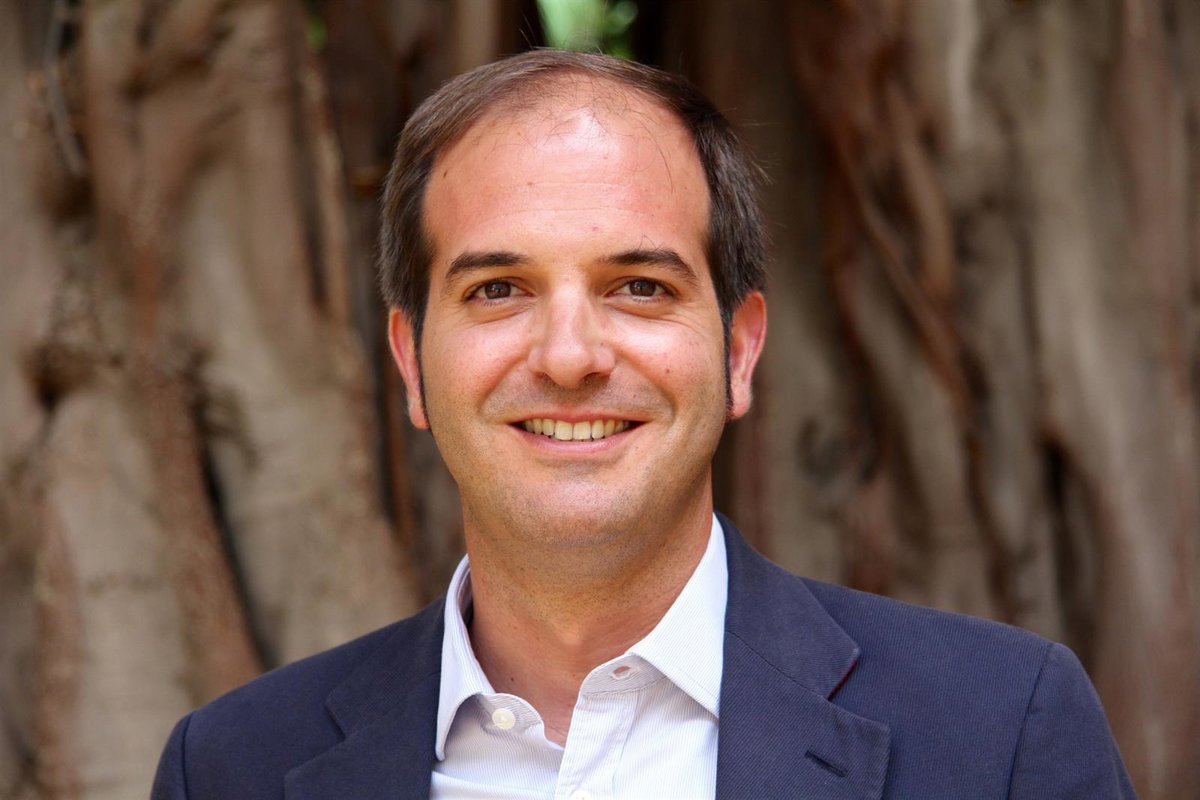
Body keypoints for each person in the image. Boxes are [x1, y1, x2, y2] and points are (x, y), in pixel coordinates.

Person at [151, 49, 1135, 800]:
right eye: (498, 289)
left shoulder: (1001, 732)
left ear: (738, 351)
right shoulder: (232, 768)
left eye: (638, 286)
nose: (569, 355)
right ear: (411, 365)